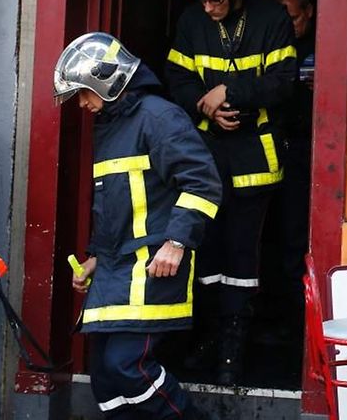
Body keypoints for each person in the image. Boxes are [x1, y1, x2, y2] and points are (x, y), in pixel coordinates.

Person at [56, 32, 221, 420]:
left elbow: (203, 183)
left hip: (151, 265)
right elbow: (113, 205)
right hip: (115, 268)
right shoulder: (113, 127)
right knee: (105, 381)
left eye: (84, 93)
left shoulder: (159, 117)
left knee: (128, 367)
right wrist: (95, 256)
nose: (82, 104)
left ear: (106, 80)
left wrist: (177, 242)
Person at [165, 0, 296, 385]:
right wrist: (208, 106)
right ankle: (206, 336)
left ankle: (231, 351)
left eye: (217, 0)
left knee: (243, 254)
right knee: (205, 251)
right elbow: (177, 79)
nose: (208, 8)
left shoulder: (271, 19)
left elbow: (283, 83)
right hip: (205, 157)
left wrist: (230, 92)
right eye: (204, 1)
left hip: (256, 157)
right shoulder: (192, 22)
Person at [267, 0, 315, 338]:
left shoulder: (328, 42)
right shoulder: (270, 45)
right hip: (272, 148)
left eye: (293, 18)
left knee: (297, 236)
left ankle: (295, 327)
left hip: (311, 152)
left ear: (309, 11)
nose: (287, 26)